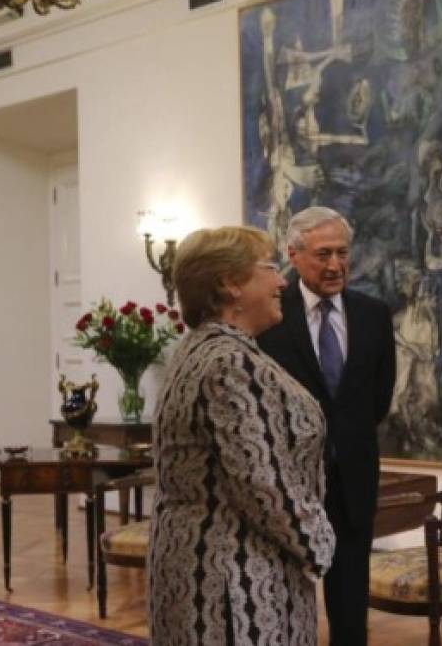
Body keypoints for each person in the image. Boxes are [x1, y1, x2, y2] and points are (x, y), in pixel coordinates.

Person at [148, 225, 335, 645]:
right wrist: (318, 542)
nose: (281, 280)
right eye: (269, 267)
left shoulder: (199, 349)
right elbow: (262, 483)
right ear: (230, 284)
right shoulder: (230, 363)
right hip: (235, 579)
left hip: (201, 565)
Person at [258, 206, 396, 646]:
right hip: (288, 482)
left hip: (353, 476)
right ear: (293, 255)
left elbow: (378, 398)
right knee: (281, 591)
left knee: (350, 598)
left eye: (342, 253)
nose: (335, 265)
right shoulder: (270, 319)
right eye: (322, 254)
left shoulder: (374, 314)